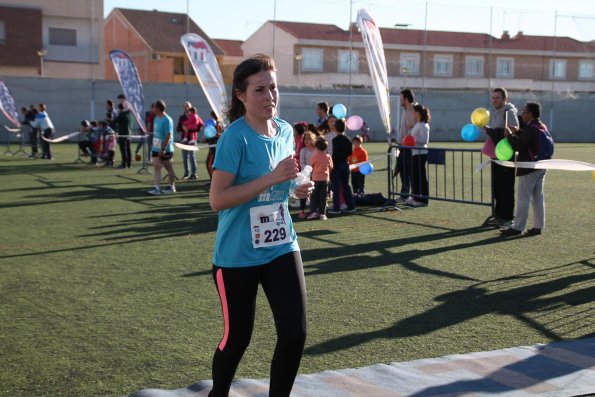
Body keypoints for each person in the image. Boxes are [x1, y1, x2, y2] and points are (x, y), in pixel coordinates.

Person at [208, 54, 311, 397]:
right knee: (238, 338)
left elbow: (279, 188)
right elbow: (218, 200)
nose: (270, 97)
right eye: (260, 90)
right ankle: (218, 393)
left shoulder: (284, 130)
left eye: (273, 88)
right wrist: (271, 178)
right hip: (237, 255)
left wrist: (294, 190)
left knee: (295, 332)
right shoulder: (233, 138)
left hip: (281, 245)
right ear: (241, 95)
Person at [500, 101, 548, 237]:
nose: (522, 114)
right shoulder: (541, 126)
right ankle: (538, 226)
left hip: (529, 167)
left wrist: (509, 135)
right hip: (542, 166)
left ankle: (517, 227)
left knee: (523, 198)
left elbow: (519, 145)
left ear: (530, 114)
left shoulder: (531, 129)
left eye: (524, 111)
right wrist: (518, 132)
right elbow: (528, 139)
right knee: (538, 198)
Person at [485, 87, 519, 226]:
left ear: (505, 99)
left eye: (497, 98)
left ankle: (507, 217)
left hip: (506, 155)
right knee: (497, 186)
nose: (494, 100)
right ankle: (499, 215)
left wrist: (492, 131)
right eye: (493, 98)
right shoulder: (496, 112)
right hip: (496, 155)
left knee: (506, 187)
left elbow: (514, 130)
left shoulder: (509, 112)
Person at [147, 100, 176, 195]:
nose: (153, 109)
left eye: (154, 107)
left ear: (158, 108)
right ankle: (156, 188)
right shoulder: (156, 118)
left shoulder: (168, 120)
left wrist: (163, 148)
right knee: (156, 166)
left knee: (169, 168)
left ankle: (172, 187)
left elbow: (168, 135)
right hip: (155, 147)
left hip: (166, 149)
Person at [328, 118, 356, 215]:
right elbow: (350, 152)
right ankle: (351, 206)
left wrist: (332, 164)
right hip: (345, 164)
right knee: (346, 186)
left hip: (337, 165)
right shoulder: (348, 139)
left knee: (336, 187)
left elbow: (335, 154)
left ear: (335, 128)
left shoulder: (335, 140)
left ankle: (336, 207)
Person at [396, 89, 416, 201]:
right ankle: (404, 194)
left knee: (411, 171)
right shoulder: (404, 110)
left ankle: (415, 195)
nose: (400, 100)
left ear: (406, 99)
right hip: (402, 146)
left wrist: (407, 137)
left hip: (411, 147)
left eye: (401, 98)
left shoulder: (415, 110)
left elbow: (416, 127)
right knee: (402, 169)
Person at [409, 104, 431, 207]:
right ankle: (416, 197)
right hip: (414, 153)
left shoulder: (423, 125)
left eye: (414, 112)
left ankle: (424, 200)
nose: (412, 114)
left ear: (417, 113)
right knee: (415, 177)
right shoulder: (417, 124)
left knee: (421, 177)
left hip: (421, 154)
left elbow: (424, 140)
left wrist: (412, 141)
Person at [308, 137, 333, 220]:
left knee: (314, 197)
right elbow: (331, 167)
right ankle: (322, 213)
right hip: (325, 179)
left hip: (315, 179)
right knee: (323, 197)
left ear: (316, 147)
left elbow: (310, 167)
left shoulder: (314, 157)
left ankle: (313, 212)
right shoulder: (328, 157)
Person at [181, 106, 204, 180]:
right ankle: (188, 173)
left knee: (191, 156)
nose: (187, 111)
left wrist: (184, 123)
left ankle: (194, 173)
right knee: (187, 157)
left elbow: (189, 123)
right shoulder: (194, 116)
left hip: (191, 138)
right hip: (188, 138)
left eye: (189, 109)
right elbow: (201, 123)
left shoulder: (193, 116)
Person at [298, 130, 316, 218]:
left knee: (315, 192)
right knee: (304, 192)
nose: (306, 141)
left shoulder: (317, 149)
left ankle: (314, 210)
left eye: (308, 139)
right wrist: (308, 170)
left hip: (316, 174)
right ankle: (302, 211)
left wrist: (315, 169)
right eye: (305, 139)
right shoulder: (303, 150)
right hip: (306, 175)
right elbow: (302, 163)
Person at [205, 110, 223, 185]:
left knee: (209, 164)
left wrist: (214, 134)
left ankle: (214, 182)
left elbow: (219, 135)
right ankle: (213, 181)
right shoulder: (215, 124)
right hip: (213, 146)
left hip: (215, 147)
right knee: (211, 164)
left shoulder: (218, 124)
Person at [116, 102, 133, 169]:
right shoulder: (130, 114)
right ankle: (129, 164)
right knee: (128, 149)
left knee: (123, 149)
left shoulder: (121, 114)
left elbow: (116, 121)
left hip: (123, 133)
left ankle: (124, 164)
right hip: (129, 134)